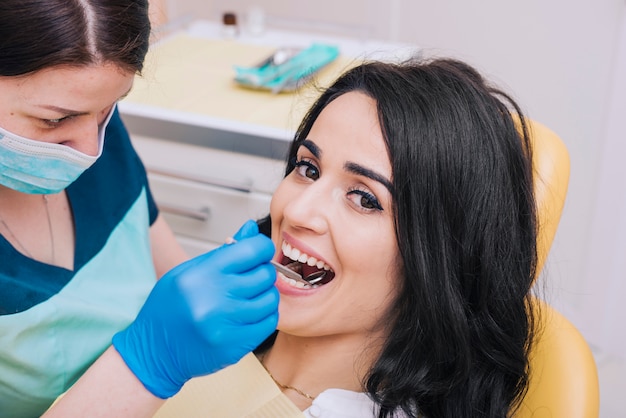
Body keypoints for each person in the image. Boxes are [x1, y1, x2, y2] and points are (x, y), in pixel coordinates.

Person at [46, 57, 539, 418]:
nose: (297, 210)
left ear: (441, 259)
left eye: (365, 198)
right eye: (307, 168)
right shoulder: (200, 341)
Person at [0, 1, 279, 416]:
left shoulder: (95, 135)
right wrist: (147, 361)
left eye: (108, 109)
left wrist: (218, 293)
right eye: (54, 121)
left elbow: (168, 266)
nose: (91, 150)